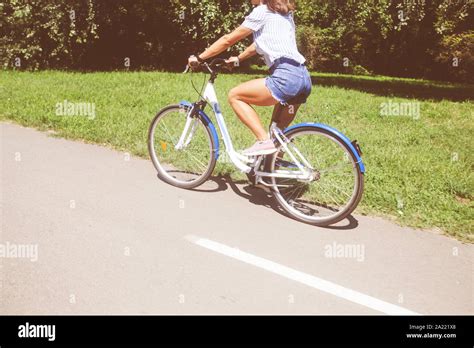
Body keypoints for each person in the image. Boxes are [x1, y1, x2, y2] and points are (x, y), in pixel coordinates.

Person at [188, 0, 312, 156]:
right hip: (303, 78)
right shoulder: (285, 14)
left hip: (285, 76)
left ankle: (262, 141)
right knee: (277, 136)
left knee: (235, 95)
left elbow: (228, 39)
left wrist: (199, 58)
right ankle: (269, 171)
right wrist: (239, 58)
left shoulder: (261, 10)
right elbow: (259, 44)